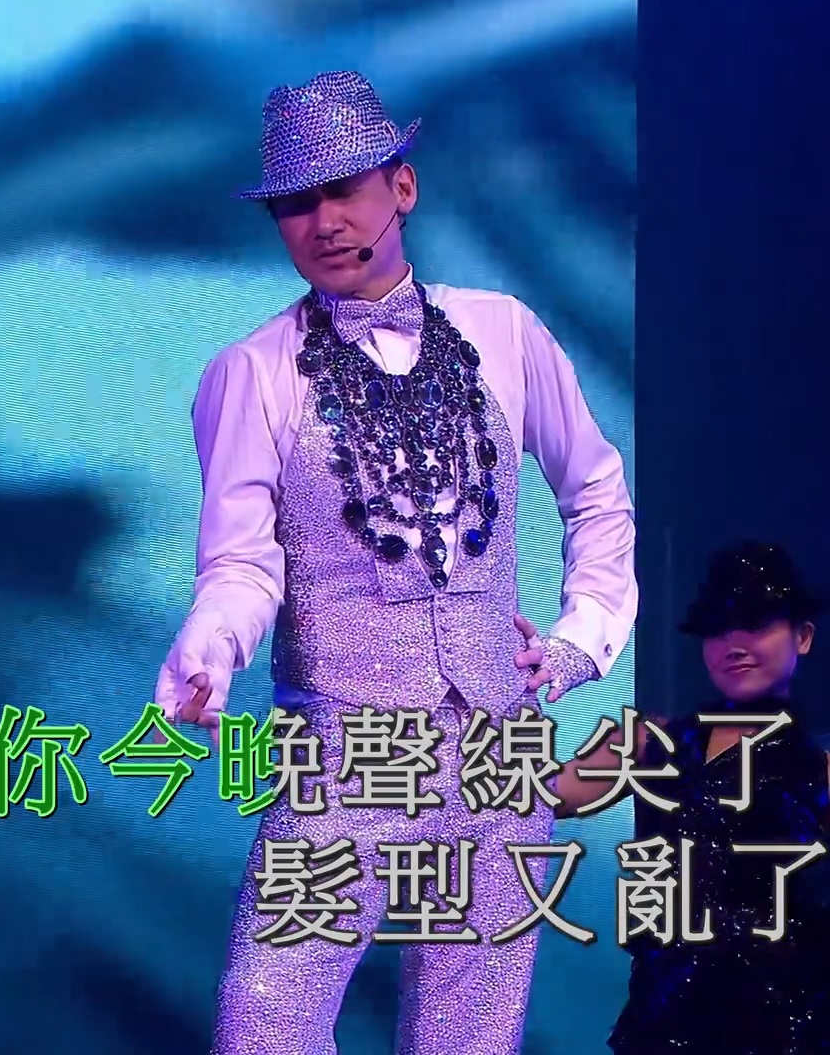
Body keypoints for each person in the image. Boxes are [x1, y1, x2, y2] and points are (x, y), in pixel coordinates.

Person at [155, 71, 636, 1055]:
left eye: (344, 191)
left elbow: (596, 488)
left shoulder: (504, 330)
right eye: (296, 205)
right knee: (263, 1021)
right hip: (349, 755)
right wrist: (211, 644)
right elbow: (241, 563)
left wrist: (582, 639)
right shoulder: (251, 373)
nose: (323, 222)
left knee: (472, 1032)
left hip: (500, 750)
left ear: (402, 188)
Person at [554, 542, 830, 1053]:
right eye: (717, 629)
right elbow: (538, 798)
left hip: (793, 1025)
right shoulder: (648, 742)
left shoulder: (827, 775)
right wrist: (505, 682)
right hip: (668, 1018)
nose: (734, 643)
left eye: (756, 623)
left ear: (803, 636)